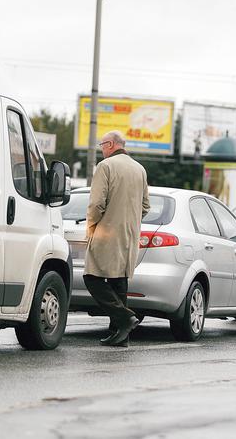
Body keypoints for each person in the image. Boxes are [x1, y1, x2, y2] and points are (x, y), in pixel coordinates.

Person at [83, 130, 150, 347]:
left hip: (106, 233)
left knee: (91, 277)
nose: (101, 150)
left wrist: (91, 227)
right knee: (119, 282)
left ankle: (125, 317)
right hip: (130, 235)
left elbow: (96, 204)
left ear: (111, 144)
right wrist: (129, 221)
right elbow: (146, 207)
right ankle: (121, 336)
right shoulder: (139, 169)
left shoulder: (106, 166)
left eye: (102, 145)